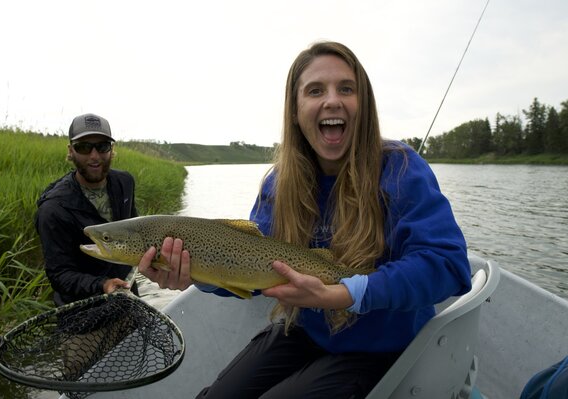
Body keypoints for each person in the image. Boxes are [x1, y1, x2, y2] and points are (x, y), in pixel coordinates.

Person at [138, 41, 472, 398]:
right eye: (315, 91)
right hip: (306, 332)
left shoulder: (401, 167)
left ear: (365, 106)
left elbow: (449, 266)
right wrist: (193, 275)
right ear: (295, 111)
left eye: (346, 88)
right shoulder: (279, 184)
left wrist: (346, 293)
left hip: (383, 346)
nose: (332, 100)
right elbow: (249, 273)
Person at [35, 113, 139, 306]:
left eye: (102, 147)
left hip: (129, 300)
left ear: (111, 149)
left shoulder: (125, 182)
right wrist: (103, 285)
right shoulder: (53, 209)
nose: (94, 156)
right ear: (71, 151)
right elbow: (60, 275)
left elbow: (135, 231)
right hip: (83, 316)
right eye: (83, 147)